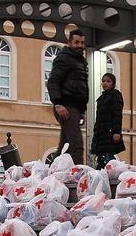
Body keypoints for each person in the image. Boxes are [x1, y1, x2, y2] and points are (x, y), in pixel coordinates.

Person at [46, 29, 89, 165]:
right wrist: (58, 103)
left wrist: (81, 111)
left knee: (65, 145)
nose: (80, 45)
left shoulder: (79, 60)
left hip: (73, 107)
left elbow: (81, 87)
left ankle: (52, 174)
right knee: (76, 145)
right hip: (66, 106)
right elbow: (53, 81)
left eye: (82, 43)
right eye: (76, 42)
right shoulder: (64, 58)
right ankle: (79, 177)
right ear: (69, 43)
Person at [90, 73, 126, 170]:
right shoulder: (101, 99)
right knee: (102, 158)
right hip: (101, 133)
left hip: (108, 132)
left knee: (108, 157)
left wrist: (116, 132)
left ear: (113, 84)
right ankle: (101, 173)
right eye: (103, 81)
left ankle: (113, 172)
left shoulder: (115, 96)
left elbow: (117, 115)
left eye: (108, 81)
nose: (105, 83)